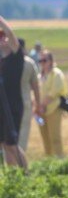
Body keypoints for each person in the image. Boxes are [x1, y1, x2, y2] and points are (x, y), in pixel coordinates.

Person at [0, 15, 28, 170]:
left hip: (13, 107)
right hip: (2, 107)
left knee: (12, 144)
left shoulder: (16, 57)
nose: (2, 39)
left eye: (3, 37)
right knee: (5, 144)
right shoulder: (2, 61)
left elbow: (10, 34)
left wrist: (1, 21)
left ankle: (25, 173)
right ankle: (12, 176)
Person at [37, 49, 68, 158]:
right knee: (45, 138)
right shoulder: (39, 76)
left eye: (44, 60)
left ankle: (59, 160)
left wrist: (42, 105)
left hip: (53, 110)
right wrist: (36, 108)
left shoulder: (56, 74)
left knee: (55, 137)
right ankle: (48, 161)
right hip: (40, 113)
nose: (42, 63)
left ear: (50, 61)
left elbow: (53, 93)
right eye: (40, 60)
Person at [17, 39, 41, 151]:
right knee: (22, 136)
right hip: (25, 103)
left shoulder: (6, 61)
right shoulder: (29, 63)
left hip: (11, 104)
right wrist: (38, 104)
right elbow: (36, 87)